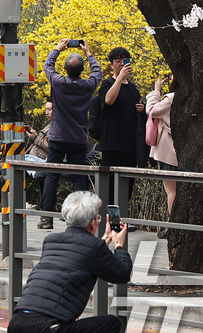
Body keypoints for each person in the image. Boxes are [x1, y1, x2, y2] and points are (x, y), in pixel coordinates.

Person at [8, 190, 132, 333]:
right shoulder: (94, 248)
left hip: (16, 327)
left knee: (42, 307)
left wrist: (104, 241)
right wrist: (119, 246)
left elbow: (80, 254)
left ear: (67, 220)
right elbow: (122, 274)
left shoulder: (51, 240)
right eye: (98, 218)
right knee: (111, 324)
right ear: (93, 223)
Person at [39, 40, 103, 229]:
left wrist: (57, 49)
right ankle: (78, 220)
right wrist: (89, 53)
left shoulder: (58, 83)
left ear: (65, 69)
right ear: (82, 70)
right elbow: (97, 73)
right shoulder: (87, 86)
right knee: (78, 178)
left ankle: (46, 218)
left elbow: (48, 66)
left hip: (58, 136)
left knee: (52, 176)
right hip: (77, 138)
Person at [95, 48, 145, 203]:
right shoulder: (108, 83)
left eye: (125, 61)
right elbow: (108, 100)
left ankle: (122, 217)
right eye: (118, 61)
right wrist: (119, 79)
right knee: (111, 189)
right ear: (112, 64)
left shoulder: (133, 88)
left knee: (126, 189)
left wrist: (141, 109)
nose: (122, 64)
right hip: (112, 145)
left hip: (130, 146)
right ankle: (109, 218)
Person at [0, 102, 50, 206]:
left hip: (37, 162)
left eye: (50, 109)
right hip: (29, 159)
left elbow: (52, 147)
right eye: (46, 109)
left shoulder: (57, 128)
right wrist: (34, 135)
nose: (47, 112)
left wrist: (35, 137)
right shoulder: (49, 125)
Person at [145, 73, 178, 214]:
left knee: (171, 190)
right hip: (179, 150)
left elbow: (151, 110)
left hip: (168, 151)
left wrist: (156, 91)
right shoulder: (191, 98)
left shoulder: (171, 98)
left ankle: (173, 222)